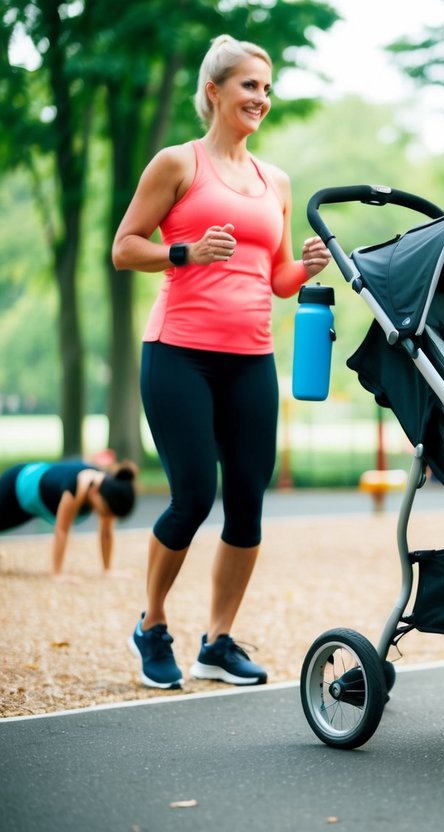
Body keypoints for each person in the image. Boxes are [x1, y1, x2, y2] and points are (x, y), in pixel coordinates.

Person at [111, 35, 331, 690]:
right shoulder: (177, 165)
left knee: (245, 502)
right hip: (178, 352)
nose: (261, 98)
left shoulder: (276, 182)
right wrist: (183, 254)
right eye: (248, 86)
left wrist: (306, 266)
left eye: (266, 87)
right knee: (192, 497)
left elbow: (275, 276)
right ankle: (151, 626)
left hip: (250, 359)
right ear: (214, 92)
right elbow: (125, 248)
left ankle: (219, 640)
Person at [0, 458, 137, 580]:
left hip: (32, 502)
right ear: (95, 492)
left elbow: (106, 533)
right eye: (107, 512)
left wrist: (108, 570)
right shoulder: (76, 486)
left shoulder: (106, 488)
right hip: (17, 485)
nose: (108, 517)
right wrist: (57, 573)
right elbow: (61, 530)